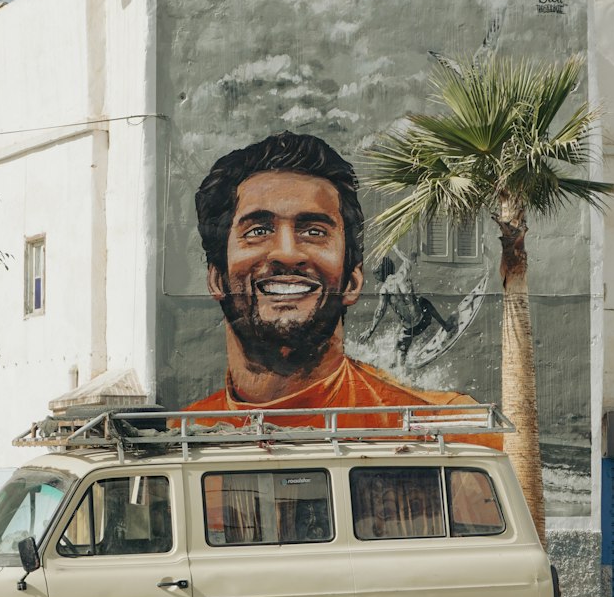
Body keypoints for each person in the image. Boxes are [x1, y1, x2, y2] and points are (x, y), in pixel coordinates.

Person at [188, 130, 497, 443]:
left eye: (314, 231)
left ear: (352, 281)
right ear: (217, 278)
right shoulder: (177, 438)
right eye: (258, 230)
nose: (287, 253)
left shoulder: (451, 433)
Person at [364, 247, 455, 364]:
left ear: (379, 275)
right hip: (425, 319)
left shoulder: (385, 289)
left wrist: (371, 330)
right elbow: (407, 260)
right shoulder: (403, 272)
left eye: (375, 275)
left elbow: (380, 311)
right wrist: (396, 248)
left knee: (400, 346)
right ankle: (446, 326)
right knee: (423, 301)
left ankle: (400, 367)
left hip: (410, 330)